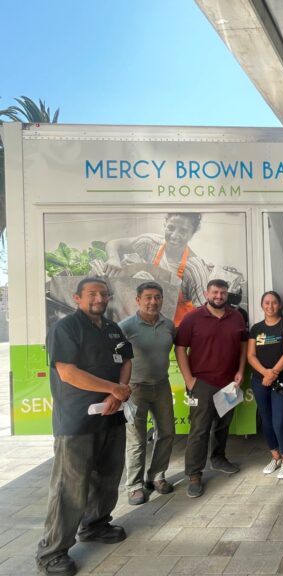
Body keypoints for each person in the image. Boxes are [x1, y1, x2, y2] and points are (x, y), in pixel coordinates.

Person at [36, 278, 133, 576]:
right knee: (70, 487)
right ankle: (52, 552)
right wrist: (114, 389)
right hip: (77, 420)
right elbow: (68, 373)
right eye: (92, 294)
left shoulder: (113, 328)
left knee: (107, 475)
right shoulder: (65, 329)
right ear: (77, 298)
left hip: (111, 415)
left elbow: (126, 358)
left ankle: (95, 525)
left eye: (104, 294)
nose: (99, 298)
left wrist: (121, 388)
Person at [175, 278, 247, 498]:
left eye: (223, 293)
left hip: (228, 382)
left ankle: (218, 458)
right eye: (215, 292)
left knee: (222, 425)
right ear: (207, 294)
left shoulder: (236, 316)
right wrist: (189, 380)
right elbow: (180, 349)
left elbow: (244, 344)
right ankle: (194, 474)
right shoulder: (192, 318)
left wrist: (241, 371)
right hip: (202, 383)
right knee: (199, 430)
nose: (219, 296)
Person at [118, 281, 176, 505]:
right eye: (148, 297)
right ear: (138, 300)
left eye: (157, 297)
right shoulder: (126, 327)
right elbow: (117, 359)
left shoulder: (168, 325)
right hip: (135, 389)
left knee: (167, 432)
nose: (153, 302)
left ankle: (157, 476)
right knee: (136, 439)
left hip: (161, 385)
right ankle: (134, 485)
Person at [103, 213, 209, 325]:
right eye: (171, 228)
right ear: (165, 224)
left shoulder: (195, 269)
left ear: (193, 232)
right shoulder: (151, 243)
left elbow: (205, 311)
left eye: (183, 231)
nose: (174, 235)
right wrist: (113, 258)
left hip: (174, 328)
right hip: (143, 319)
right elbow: (114, 243)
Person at [247, 291, 283, 480]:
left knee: (279, 421)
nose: (270, 306)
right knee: (266, 421)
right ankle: (274, 457)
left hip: (282, 379)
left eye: (274, 303)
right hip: (260, 380)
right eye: (267, 303)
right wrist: (265, 373)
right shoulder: (256, 328)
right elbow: (250, 355)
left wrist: (273, 372)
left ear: (280, 305)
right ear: (262, 306)